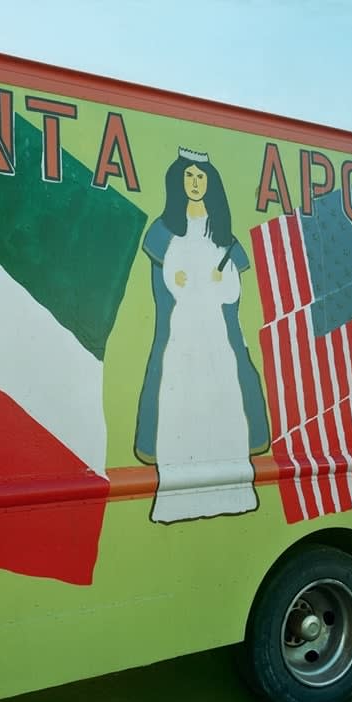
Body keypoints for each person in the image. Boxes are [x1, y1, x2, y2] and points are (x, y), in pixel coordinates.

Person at [135, 147, 269, 523]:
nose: (195, 183)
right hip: (182, 334)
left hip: (216, 336)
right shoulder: (165, 231)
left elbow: (232, 293)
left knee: (224, 401)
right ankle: (177, 498)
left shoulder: (223, 233)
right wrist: (174, 278)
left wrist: (220, 280)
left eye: (201, 177)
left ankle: (232, 493)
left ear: (211, 184)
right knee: (179, 403)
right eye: (188, 176)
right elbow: (164, 288)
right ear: (178, 181)